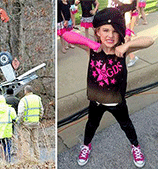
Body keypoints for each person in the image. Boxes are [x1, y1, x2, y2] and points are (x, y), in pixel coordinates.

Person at [62, 8, 154, 167]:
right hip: (96, 101)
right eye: (105, 30)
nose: (110, 36)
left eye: (114, 31)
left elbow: (149, 41)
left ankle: (135, 146)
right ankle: (86, 145)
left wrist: (128, 45)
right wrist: (88, 42)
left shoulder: (122, 51)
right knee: (91, 125)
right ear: (97, 32)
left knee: (126, 125)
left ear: (120, 33)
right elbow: (65, 35)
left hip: (116, 102)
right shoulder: (92, 49)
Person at [17, 85, 44, 161]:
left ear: (25, 91)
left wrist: (20, 122)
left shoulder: (23, 100)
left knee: (26, 141)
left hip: (26, 124)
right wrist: (38, 118)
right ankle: (37, 157)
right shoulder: (38, 98)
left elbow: (21, 113)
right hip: (35, 123)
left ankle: (27, 158)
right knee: (35, 140)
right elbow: (41, 110)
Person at [5, 88, 20, 155]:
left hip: (6, 120)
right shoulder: (17, 100)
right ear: (13, 92)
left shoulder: (4, 100)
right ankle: (15, 149)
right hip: (15, 119)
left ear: (6, 93)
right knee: (15, 134)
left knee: (7, 134)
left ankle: (8, 149)